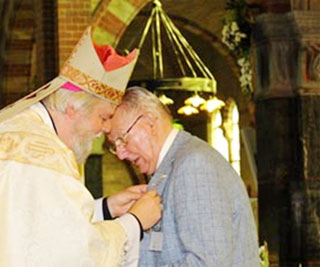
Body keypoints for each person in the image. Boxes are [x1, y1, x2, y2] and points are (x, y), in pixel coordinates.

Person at [0, 27, 162, 267]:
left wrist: (106, 209)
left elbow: (36, 229)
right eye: (103, 117)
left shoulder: (17, 133)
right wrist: (135, 222)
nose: (105, 129)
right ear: (73, 108)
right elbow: (70, 252)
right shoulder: (41, 151)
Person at [107, 86, 260, 266]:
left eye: (122, 140)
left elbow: (208, 263)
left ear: (149, 123)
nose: (120, 154)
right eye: (114, 145)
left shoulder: (193, 165)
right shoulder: (173, 166)